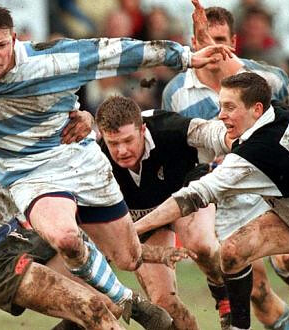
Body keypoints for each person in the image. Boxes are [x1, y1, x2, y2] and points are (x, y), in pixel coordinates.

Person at [0, 2, 233, 328]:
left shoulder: (49, 62)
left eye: (0, 45)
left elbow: (113, 52)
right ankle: (137, 305)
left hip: (63, 179)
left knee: (121, 268)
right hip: (3, 233)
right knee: (80, 268)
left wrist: (186, 57)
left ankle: (128, 302)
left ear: (14, 40)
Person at [0, 76, 193, 329]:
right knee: (95, 311)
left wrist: (86, 120)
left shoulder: (27, 129)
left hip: (26, 236)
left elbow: (78, 123)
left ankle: (131, 304)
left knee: (102, 306)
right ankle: (137, 306)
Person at [136, 72, 289, 330]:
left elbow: (191, 197)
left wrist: (135, 229)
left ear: (256, 109)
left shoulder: (258, 153)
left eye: (230, 107)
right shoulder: (279, 112)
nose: (221, 115)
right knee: (231, 252)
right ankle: (239, 326)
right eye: (221, 106)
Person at [162, 3, 289, 329]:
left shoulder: (259, 78)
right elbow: (171, 145)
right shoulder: (175, 93)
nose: (215, 48)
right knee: (256, 292)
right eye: (207, 40)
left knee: (286, 257)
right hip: (221, 201)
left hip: (263, 188)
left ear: (234, 41)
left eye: (222, 40)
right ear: (194, 42)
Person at [96, 95, 231, 330]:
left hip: (186, 196)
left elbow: (215, 132)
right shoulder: (95, 158)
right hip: (143, 217)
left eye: (128, 140)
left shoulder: (169, 128)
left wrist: (231, 143)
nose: (122, 150)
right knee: (163, 304)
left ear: (142, 130)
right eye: (113, 143)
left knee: (200, 243)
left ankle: (224, 293)